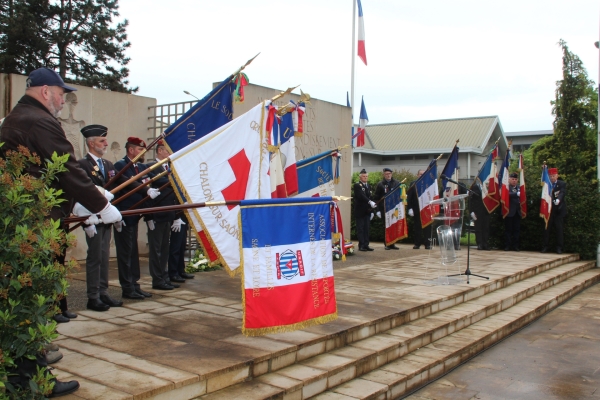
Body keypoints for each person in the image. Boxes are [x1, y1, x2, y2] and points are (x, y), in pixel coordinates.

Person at [0, 67, 121, 398]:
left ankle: (22, 369)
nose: (62, 99)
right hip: (37, 222)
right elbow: (66, 168)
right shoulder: (38, 120)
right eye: (60, 93)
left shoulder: (17, 117)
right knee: (31, 301)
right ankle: (34, 378)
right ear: (44, 92)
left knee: (22, 301)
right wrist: (101, 205)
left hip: (23, 219)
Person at [78, 124, 141, 311]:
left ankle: (103, 293)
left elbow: (118, 187)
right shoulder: (82, 165)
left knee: (105, 257)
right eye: (101, 140)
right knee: (95, 257)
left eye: (105, 140)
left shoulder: (107, 165)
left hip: (106, 218)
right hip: (92, 219)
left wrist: (145, 188)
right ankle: (93, 296)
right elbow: (82, 194)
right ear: (91, 143)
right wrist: (85, 221)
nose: (106, 143)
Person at [113, 137, 160, 299]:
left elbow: (146, 178)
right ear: (131, 150)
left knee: (133, 252)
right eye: (140, 150)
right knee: (125, 253)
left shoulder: (137, 167)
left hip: (135, 214)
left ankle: (135, 284)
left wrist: (148, 215)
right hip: (124, 214)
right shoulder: (120, 166)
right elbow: (126, 184)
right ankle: (127, 287)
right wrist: (145, 189)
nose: (142, 153)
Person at [145, 140, 180, 290]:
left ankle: (164, 277)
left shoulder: (169, 167)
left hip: (168, 214)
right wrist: (149, 217)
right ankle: (157, 279)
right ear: (160, 151)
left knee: (165, 249)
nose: (169, 152)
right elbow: (147, 194)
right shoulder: (151, 167)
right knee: (156, 250)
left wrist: (176, 215)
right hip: (157, 214)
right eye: (167, 150)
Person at [374, 167, 400, 250]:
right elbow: (376, 198)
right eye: (386, 174)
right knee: (386, 226)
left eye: (389, 174)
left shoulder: (396, 183)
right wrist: (377, 210)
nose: (388, 175)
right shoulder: (380, 184)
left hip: (394, 208)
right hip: (384, 208)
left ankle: (393, 243)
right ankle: (387, 243)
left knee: (393, 225)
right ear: (384, 175)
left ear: (391, 174)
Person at [542, 167, 566, 254]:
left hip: (559, 210)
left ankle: (559, 248)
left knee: (559, 229)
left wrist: (558, 200)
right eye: (550, 176)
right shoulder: (547, 184)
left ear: (557, 176)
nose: (552, 177)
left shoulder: (561, 184)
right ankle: (545, 246)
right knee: (547, 229)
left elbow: (562, 193)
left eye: (554, 176)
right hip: (548, 210)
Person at [407, 169, 432, 250]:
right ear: (417, 175)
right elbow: (409, 197)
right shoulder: (413, 184)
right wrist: (410, 208)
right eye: (420, 174)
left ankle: (427, 244)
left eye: (423, 174)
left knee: (427, 228)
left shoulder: (429, 183)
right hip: (416, 209)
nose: (421, 175)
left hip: (426, 209)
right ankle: (417, 244)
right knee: (417, 227)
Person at [353, 169, 376, 251]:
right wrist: (369, 202)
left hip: (367, 211)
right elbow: (361, 196)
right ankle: (361, 245)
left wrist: (372, 211)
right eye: (363, 176)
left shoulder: (369, 186)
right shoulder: (357, 185)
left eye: (366, 176)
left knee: (366, 228)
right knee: (361, 229)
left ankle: (366, 244)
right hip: (360, 211)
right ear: (360, 177)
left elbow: (371, 197)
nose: (365, 177)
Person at [504, 172, 523, 251]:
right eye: (512, 179)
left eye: (515, 179)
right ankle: (507, 245)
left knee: (517, 230)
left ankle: (516, 246)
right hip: (509, 212)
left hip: (517, 212)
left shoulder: (520, 187)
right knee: (508, 230)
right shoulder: (507, 187)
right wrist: (516, 194)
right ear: (509, 179)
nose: (514, 181)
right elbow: (506, 194)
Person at [470, 181, 491, 250]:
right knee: (478, 228)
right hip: (477, 211)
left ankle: (485, 244)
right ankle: (479, 244)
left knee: (486, 228)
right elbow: (471, 200)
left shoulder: (489, 187)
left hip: (486, 210)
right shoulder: (475, 187)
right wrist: (471, 211)